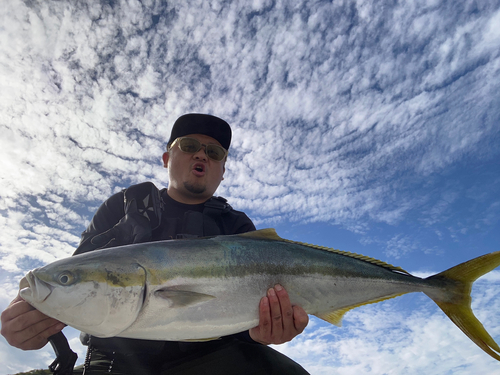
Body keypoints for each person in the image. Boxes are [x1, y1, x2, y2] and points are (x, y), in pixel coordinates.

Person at [1, 113, 310, 374]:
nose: (201, 155)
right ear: (167, 158)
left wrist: (264, 332)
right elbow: (78, 282)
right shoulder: (121, 207)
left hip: (214, 358)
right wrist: (33, 324)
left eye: (214, 153)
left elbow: (248, 312)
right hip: (115, 359)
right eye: (189, 146)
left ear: (222, 171)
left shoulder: (236, 226)